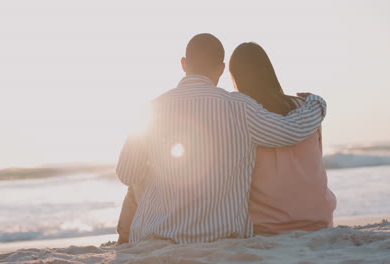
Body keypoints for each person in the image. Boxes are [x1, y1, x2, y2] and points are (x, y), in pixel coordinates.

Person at [116, 33, 327, 244]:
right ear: (221, 68)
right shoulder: (239, 106)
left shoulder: (152, 110)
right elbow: (290, 130)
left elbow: (126, 174)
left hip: (156, 238)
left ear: (184, 64)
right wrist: (316, 104)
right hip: (220, 238)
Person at [229, 42, 336, 235]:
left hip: (268, 227)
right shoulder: (306, 107)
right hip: (319, 219)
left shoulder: (244, 117)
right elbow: (317, 158)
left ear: (236, 77)